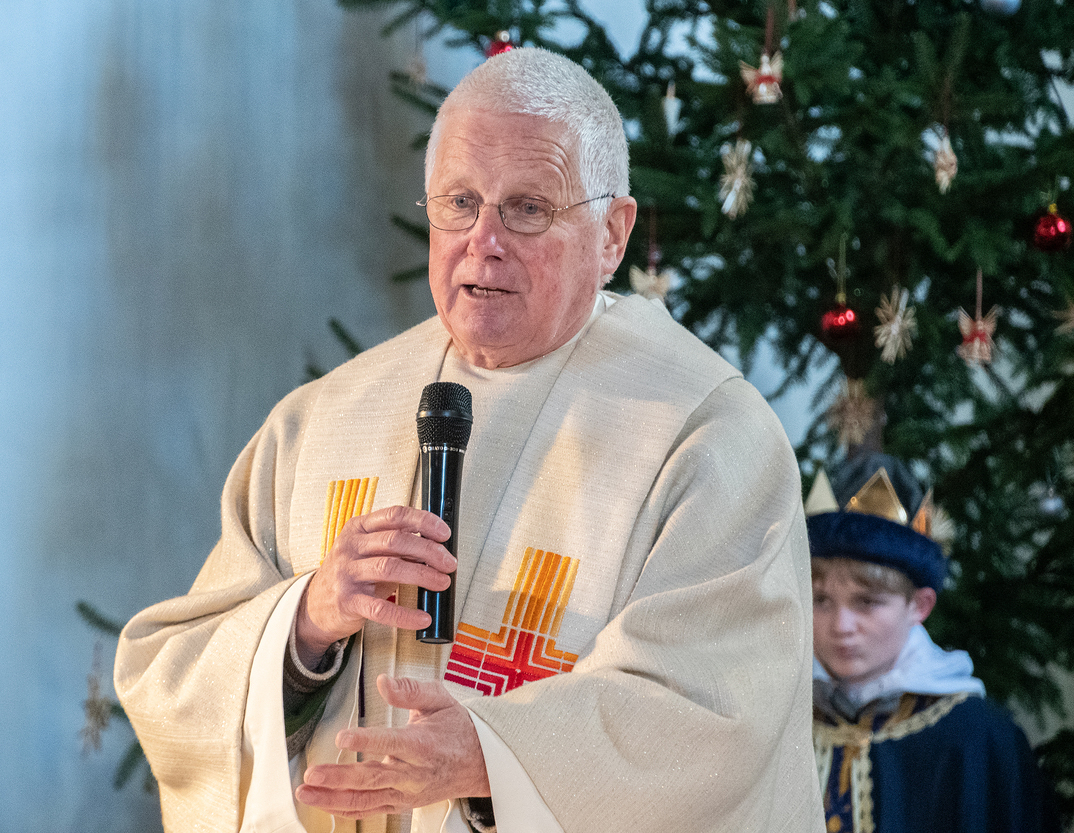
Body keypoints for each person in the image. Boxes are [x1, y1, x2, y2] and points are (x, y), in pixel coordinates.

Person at [114, 46, 822, 833]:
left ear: (613, 234)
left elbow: (713, 715)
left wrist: (496, 758)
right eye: (459, 202)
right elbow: (175, 677)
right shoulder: (323, 418)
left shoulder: (706, 436)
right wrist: (306, 620)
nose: (484, 240)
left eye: (528, 208)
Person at [805, 454, 1060, 833]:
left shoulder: (979, 740)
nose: (841, 626)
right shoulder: (784, 718)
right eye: (820, 600)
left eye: (867, 602)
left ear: (919, 606)